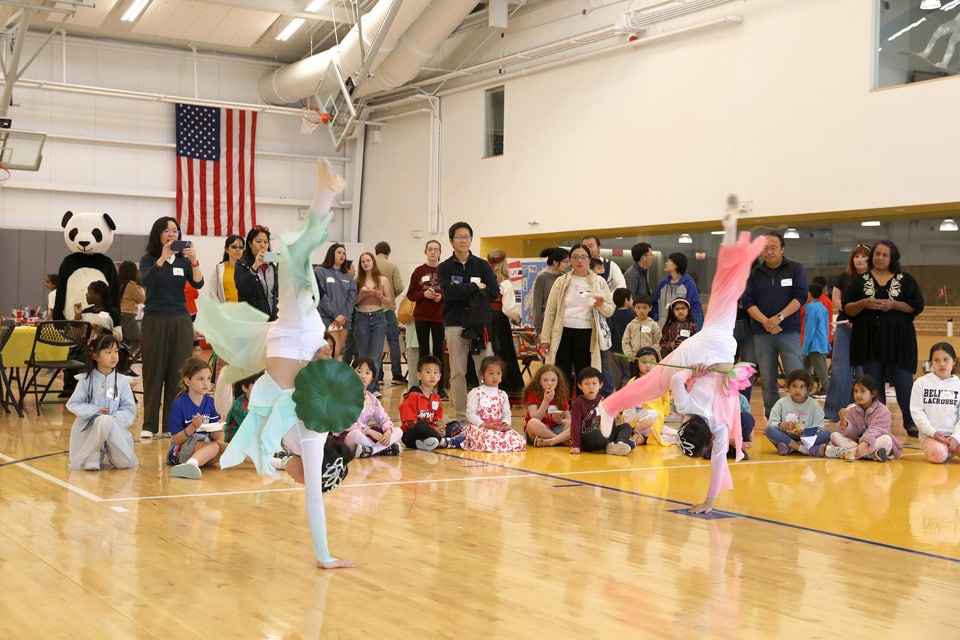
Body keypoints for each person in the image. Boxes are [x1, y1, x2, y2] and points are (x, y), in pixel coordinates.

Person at [197, 159, 354, 569]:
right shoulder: (314, 441)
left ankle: (323, 196)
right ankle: (324, 193)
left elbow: (262, 408)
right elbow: (314, 496)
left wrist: (229, 382)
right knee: (296, 257)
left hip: (290, 337)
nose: (296, 479)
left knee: (294, 259)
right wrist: (325, 556)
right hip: (303, 336)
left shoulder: (287, 448)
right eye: (302, 477)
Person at [599, 200, 766, 513]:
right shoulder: (690, 409)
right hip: (703, 350)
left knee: (728, 286)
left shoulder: (719, 426)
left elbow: (719, 457)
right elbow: (679, 379)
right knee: (653, 383)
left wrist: (697, 371)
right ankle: (609, 406)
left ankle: (731, 228)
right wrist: (693, 372)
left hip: (717, 344)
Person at [843, 239, 923, 437]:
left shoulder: (906, 280)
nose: (880, 258)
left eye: (885, 255)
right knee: (874, 385)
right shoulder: (859, 281)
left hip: (899, 342)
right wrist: (863, 303)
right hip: (869, 342)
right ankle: (878, 424)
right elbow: (847, 308)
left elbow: (916, 306)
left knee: (904, 383)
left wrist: (893, 305)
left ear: (892, 258)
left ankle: (911, 422)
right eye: (877, 254)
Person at [139, 216, 202, 439]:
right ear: (158, 234)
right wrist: (163, 259)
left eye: (175, 230)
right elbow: (147, 280)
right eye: (167, 230)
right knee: (153, 372)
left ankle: (169, 424)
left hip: (180, 320)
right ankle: (149, 424)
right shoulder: (148, 259)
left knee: (178, 373)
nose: (172, 234)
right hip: (155, 320)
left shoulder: (183, 261)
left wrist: (194, 260)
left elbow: (198, 283)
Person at [742, 232, 808, 418]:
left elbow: (801, 296)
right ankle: (773, 418)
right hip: (762, 333)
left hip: (789, 332)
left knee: (797, 377)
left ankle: (803, 417)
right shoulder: (754, 273)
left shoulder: (795, 268)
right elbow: (748, 301)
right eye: (765, 248)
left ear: (782, 249)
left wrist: (778, 318)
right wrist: (766, 321)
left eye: (773, 247)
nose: (769, 252)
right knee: (768, 380)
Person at [437, 222, 499, 422]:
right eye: (459, 237)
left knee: (487, 369)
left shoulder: (482, 265)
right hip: (455, 323)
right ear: (451, 241)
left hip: (480, 324)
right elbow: (449, 292)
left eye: (466, 236)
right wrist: (474, 287)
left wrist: (465, 291)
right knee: (457, 372)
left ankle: (486, 414)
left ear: (471, 239)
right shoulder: (444, 267)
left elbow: (493, 291)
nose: (463, 240)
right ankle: (463, 417)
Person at [539, 243, 614, 393]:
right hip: (562, 332)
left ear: (589, 260)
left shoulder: (599, 282)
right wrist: (545, 339)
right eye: (575, 257)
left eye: (583, 257)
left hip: (587, 333)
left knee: (584, 374)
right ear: (570, 260)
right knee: (561, 373)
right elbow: (550, 311)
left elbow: (610, 310)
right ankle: (562, 404)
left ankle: (582, 405)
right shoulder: (561, 281)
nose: (579, 261)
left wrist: (600, 305)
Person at [66, 333, 138, 471]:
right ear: (95, 356)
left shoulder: (122, 381)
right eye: (108, 352)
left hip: (115, 431)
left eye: (116, 351)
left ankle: (106, 451)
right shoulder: (85, 380)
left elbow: (128, 408)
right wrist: (94, 410)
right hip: (89, 431)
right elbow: (74, 404)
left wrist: (114, 418)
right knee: (102, 420)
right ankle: (94, 452)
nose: (114, 356)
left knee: (123, 463)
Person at [824, 243, 871, 421]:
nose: (860, 260)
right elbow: (836, 299)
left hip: (865, 329)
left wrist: (858, 317)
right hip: (845, 326)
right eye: (857, 256)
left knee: (863, 371)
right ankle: (834, 411)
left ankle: (863, 411)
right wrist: (851, 311)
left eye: (864, 256)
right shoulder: (844, 277)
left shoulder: (875, 279)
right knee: (840, 370)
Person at [166, 357, 227, 479]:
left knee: (230, 448)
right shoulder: (179, 404)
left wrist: (217, 429)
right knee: (214, 447)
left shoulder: (212, 403)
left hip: (205, 446)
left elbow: (215, 438)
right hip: (180, 450)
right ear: (188, 381)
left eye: (208, 378)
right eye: (200, 379)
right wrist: (192, 427)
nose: (206, 383)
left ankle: (265, 461)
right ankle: (190, 465)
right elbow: (176, 440)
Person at [820, 374, 901, 461]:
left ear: (873, 393)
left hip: (874, 442)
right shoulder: (851, 408)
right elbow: (852, 434)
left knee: (887, 440)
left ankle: (847, 453)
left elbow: (875, 430)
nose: (858, 395)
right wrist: (845, 424)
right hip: (857, 443)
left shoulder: (882, 410)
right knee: (834, 436)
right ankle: (871, 454)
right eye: (856, 391)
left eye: (863, 391)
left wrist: (864, 444)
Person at [407, 240, 447, 399]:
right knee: (423, 352)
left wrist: (441, 296)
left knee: (438, 352)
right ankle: (421, 387)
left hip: (439, 317)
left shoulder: (444, 271)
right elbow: (410, 294)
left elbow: (451, 292)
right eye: (430, 249)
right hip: (422, 316)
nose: (433, 252)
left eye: (436, 249)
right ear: (425, 252)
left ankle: (441, 388)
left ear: (440, 253)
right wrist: (423, 294)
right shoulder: (418, 271)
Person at [338, 356, 402, 457]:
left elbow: (384, 419)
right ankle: (382, 449)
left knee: (398, 431)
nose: (363, 376)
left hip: (365, 438)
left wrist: (388, 432)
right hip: (348, 437)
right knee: (355, 435)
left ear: (372, 378)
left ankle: (371, 450)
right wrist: (369, 431)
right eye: (359, 371)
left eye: (367, 373)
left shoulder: (372, 399)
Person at [461, 356, 526, 452]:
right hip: (480, 427)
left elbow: (507, 414)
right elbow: (470, 414)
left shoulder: (503, 394)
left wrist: (505, 423)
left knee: (519, 441)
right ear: (482, 374)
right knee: (488, 439)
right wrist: (484, 425)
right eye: (491, 373)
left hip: (498, 428)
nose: (495, 377)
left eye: (498, 373)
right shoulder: (475, 393)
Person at [910, 342, 960, 464]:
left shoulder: (958, 385)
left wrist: (956, 437)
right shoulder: (921, 383)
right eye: (936, 360)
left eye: (946, 359)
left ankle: (951, 449)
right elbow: (917, 412)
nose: (941, 364)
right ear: (931, 362)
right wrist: (932, 432)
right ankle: (946, 451)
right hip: (930, 436)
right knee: (939, 454)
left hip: (955, 435)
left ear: (953, 361)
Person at [399, 355, 463, 451]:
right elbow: (410, 423)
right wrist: (433, 429)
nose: (432, 376)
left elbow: (437, 419)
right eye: (428, 372)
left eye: (435, 372)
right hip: (411, 435)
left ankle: (430, 442)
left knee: (456, 425)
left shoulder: (436, 398)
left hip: (432, 431)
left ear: (439, 376)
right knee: (421, 425)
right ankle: (444, 442)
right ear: (419, 375)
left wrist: (440, 427)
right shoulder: (412, 396)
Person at [569, 366, 635, 456]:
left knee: (626, 426)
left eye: (594, 383)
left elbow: (610, 420)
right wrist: (576, 445)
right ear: (580, 386)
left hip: (604, 435)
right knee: (598, 435)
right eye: (586, 384)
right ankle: (614, 443)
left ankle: (619, 444)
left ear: (600, 385)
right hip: (588, 437)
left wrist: (613, 433)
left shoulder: (603, 400)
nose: (591, 387)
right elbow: (575, 426)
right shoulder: (578, 403)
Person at [353, 251, 392, 396]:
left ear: (373, 262)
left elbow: (389, 302)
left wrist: (380, 296)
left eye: (368, 260)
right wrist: (362, 295)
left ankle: (372, 388)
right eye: (363, 261)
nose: (366, 263)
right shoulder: (357, 281)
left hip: (378, 317)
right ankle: (365, 388)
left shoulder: (383, 280)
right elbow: (353, 302)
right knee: (363, 355)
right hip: (361, 316)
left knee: (375, 355)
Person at [764, 370, 830, 456]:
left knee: (827, 434)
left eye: (802, 387)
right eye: (794, 386)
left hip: (806, 438)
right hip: (787, 437)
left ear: (807, 388)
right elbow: (771, 423)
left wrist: (805, 431)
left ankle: (790, 448)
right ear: (788, 387)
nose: (797, 390)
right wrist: (782, 425)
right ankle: (803, 449)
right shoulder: (781, 403)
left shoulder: (814, 404)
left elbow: (819, 427)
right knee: (769, 430)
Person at [487, 249, 524, 395]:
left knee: (488, 351)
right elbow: (508, 308)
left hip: (484, 318)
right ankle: (508, 387)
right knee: (504, 352)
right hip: (499, 320)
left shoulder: (485, 281)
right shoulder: (505, 283)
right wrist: (517, 318)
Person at [620, 347, 670, 446]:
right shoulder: (633, 382)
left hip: (653, 420)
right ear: (637, 364)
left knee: (675, 434)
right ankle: (636, 433)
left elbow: (666, 402)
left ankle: (644, 437)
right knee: (651, 414)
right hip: (637, 418)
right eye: (643, 362)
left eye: (652, 361)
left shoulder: (661, 382)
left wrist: (660, 414)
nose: (648, 365)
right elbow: (628, 406)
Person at [315, 243, 356, 359]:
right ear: (331, 254)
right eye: (339, 252)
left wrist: (343, 317)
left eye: (344, 253)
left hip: (343, 320)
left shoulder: (348, 277)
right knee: (330, 352)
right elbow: (321, 295)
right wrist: (335, 315)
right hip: (327, 318)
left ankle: (333, 371)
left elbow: (351, 299)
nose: (342, 255)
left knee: (336, 353)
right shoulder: (320, 271)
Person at [374, 241, 406, 387]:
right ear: (388, 253)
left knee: (377, 343)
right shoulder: (392, 266)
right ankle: (397, 375)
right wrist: (390, 295)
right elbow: (399, 287)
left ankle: (378, 375)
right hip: (388, 310)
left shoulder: (369, 265)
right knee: (394, 342)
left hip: (372, 309)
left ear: (376, 251)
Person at [235, 225, 279, 321]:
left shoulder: (273, 268)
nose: (262, 245)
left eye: (266, 242)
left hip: (272, 320)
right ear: (250, 244)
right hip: (251, 321)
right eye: (258, 241)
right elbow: (242, 289)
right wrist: (255, 266)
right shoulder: (242, 265)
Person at [652, 251, 703, 330]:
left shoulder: (688, 283)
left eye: (669, 261)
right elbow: (655, 303)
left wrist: (690, 323)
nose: (666, 263)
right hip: (662, 327)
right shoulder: (663, 284)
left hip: (682, 327)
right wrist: (656, 318)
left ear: (677, 265)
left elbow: (696, 305)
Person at [523, 364, 571, 447]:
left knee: (575, 424)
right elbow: (535, 418)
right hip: (540, 431)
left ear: (558, 382)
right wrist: (546, 401)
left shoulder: (561, 395)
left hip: (557, 428)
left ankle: (551, 441)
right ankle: (560, 441)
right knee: (532, 423)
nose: (549, 383)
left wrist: (560, 421)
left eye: (553, 380)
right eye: (545, 380)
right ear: (539, 381)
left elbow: (568, 420)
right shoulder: (533, 394)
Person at [531, 247, 570, 337]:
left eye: (568, 262)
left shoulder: (565, 278)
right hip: (547, 323)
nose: (568, 265)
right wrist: (539, 330)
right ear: (555, 262)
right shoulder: (542, 278)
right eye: (565, 262)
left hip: (563, 323)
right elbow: (537, 305)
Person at [802, 282, 830, 397]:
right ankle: (804, 387)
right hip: (821, 342)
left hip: (814, 344)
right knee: (806, 367)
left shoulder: (811, 308)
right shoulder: (822, 307)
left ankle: (826, 388)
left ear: (810, 293)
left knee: (819, 367)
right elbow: (826, 326)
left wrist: (805, 347)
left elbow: (810, 329)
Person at [607, 288, 636, 390]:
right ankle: (625, 395)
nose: (632, 300)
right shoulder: (633, 315)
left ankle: (618, 395)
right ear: (626, 300)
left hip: (613, 350)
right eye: (631, 298)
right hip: (629, 352)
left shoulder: (611, 314)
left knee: (615, 377)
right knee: (629, 376)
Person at [621, 293, 661, 360]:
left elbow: (658, 342)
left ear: (650, 308)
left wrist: (649, 352)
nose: (641, 310)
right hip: (634, 359)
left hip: (649, 358)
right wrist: (629, 354)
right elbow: (625, 342)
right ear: (634, 308)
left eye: (645, 308)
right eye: (638, 308)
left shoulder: (653, 325)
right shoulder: (630, 325)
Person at [224, 371, 262, 443]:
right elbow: (250, 428)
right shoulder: (239, 406)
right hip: (234, 442)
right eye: (256, 385)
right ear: (245, 388)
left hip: (249, 439)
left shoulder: (259, 401)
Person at [207, 235, 245, 304]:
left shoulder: (248, 269)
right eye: (234, 247)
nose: (238, 249)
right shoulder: (219, 269)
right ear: (226, 249)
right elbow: (213, 293)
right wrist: (220, 308)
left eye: (241, 247)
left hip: (244, 309)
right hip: (224, 309)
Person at [118, 261, 144, 354]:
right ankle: (124, 357)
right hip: (128, 316)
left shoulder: (118, 283)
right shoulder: (131, 285)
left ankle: (120, 356)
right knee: (136, 340)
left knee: (123, 340)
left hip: (119, 314)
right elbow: (141, 298)